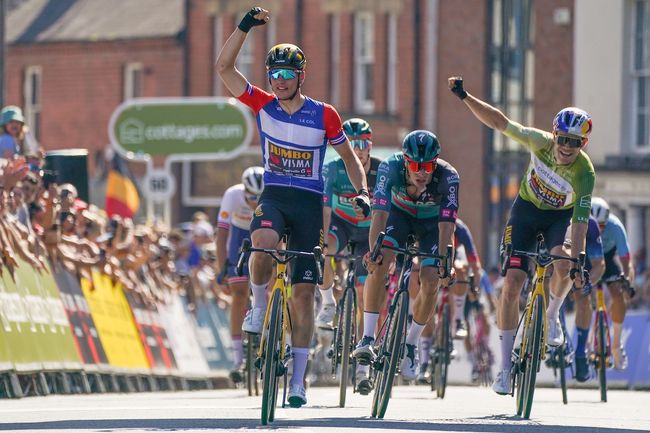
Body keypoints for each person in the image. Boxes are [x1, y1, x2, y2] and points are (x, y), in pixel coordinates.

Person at [215, 7, 369, 408]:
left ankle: (298, 382)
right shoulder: (262, 105)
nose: (280, 82)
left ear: (301, 77)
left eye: (288, 75)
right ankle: (259, 305)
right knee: (263, 241)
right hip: (275, 196)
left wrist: (363, 191)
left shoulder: (325, 114)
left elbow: (350, 159)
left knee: (303, 295)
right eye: (275, 75)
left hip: (308, 204)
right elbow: (224, 67)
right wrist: (245, 27)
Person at [448, 76, 595, 395]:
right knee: (513, 283)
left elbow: (580, 222)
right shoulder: (539, 142)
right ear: (554, 135)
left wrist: (579, 259)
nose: (567, 147)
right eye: (563, 139)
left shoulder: (585, 173)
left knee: (564, 265)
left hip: (559, 218)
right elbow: (500, 123)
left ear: (584, 144)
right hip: (526, 211)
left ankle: (553, 313)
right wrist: (465, 96)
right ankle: (504, 370)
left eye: (575, 142)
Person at [352, 130, 459, 391]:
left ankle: (411, 344)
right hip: (398, 218)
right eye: (415, 166)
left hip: (432, 226)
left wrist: (445, 262)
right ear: (405, 160)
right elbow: (378, 214)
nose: (421, 172)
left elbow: (447, 227)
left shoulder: (449, 177)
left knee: (431, 279)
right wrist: (373, 250)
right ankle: (367, 337)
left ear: (436, 163)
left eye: (427, 167)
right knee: (379, 261)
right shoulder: (390, 167)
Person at [317, 118, 382, 329]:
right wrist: (323, 241)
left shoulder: (382, 169)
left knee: (364, 293)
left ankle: (361, 348)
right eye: (352, 144)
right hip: (341, 225)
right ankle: (328, 302)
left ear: (371, 145)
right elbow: (325, 208)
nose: (358, 150)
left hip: (368, 232)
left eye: (363, 144)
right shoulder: (333, 169)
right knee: (323, 253)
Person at [216, 166, 264, 383]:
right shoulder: (232, 195)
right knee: (238, 294)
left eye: (259, 197)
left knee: (270, 287)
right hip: (239, 236)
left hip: (263, 232)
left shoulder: (271, 194)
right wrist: (222, 268)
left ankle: (269, 342)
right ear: (244, 191)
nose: (255, 201)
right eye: (251, 196)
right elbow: (221, 235)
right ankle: (238, 358)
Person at [589, 197, 635, 371]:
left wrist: (628, 281)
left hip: (608, 259)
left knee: (618, 294)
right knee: (583, 294)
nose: (598, 230)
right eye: (595, 226)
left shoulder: (616, 227)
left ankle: (615, 344)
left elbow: (626, 261)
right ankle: (586, 340)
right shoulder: (581, 224)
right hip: (588, 258)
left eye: (602, 226)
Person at [572, 214, 605, 381]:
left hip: (579, 263)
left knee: (583, 300)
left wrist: (588, 282)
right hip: (555, 260)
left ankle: (580, 352)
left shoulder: (590, 223)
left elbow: (599, 264)